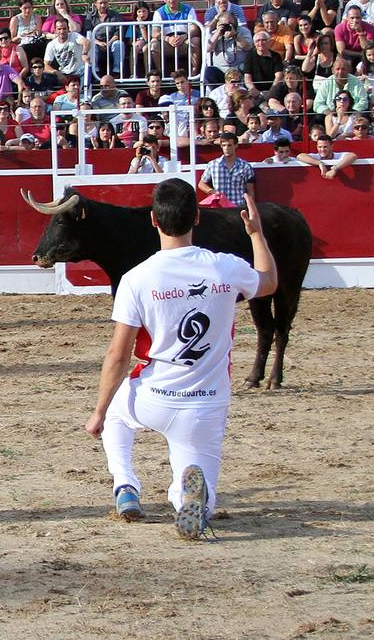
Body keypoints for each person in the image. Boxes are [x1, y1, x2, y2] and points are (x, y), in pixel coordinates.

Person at [84, 179, 277, 539]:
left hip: (153, 398)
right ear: (198, 217)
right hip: (206, 402)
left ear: (154, 220)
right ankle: (190, 503)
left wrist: (97, 411)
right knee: (196, 475)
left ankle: (125, 486)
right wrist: (256, 234)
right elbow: (268, 283)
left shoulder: (136, 279)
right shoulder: (224, 267)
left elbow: (118, 354)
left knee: (114, 414)